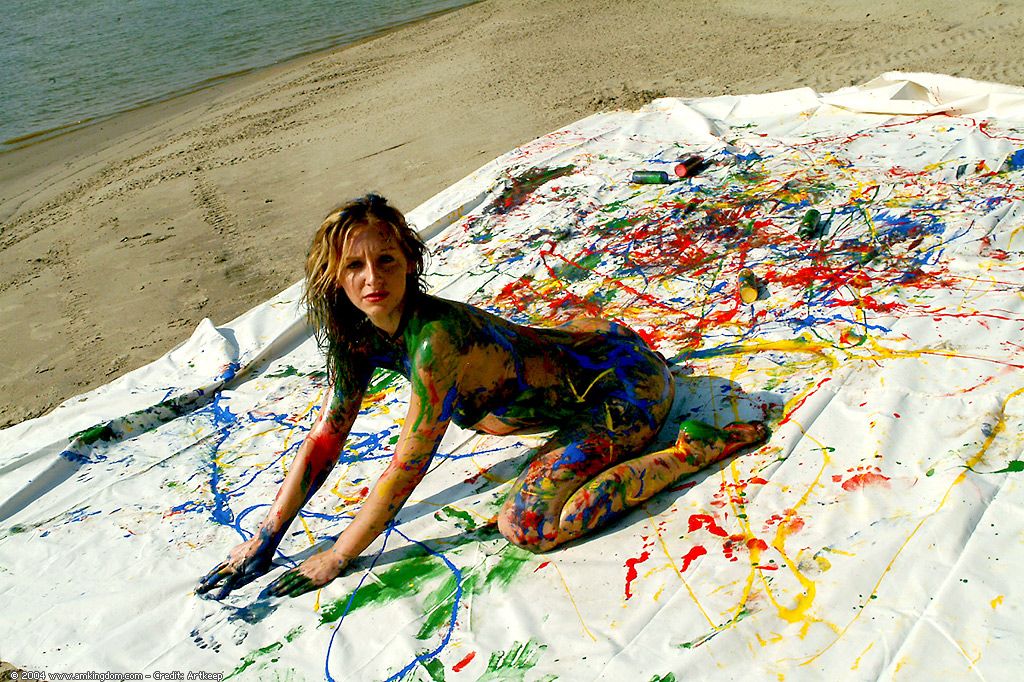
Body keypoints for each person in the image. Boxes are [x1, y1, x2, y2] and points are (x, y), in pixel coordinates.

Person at [196, 194, 767, 599]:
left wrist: (339, 555)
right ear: (334, 277)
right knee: (507, 408)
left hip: (623, 390)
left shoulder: (436, 340)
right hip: (591, 349)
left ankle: (692, 451)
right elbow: (327, 437)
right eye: (355, 265)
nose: (373, 278)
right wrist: (266, 538)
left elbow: (408, 463)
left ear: (410, 262)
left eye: (386, 260)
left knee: (529, 525)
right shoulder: (356, 334)